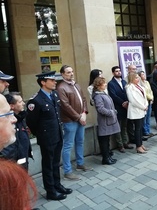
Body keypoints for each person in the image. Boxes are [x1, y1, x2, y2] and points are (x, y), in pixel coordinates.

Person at [26, 71, 72, 201]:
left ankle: (57, 185)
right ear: (43, 82)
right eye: (52, 80)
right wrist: (42, 134)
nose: (55, 82)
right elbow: (31, 122)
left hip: (57, 135)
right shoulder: (35, 100)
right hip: (47, 138)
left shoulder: (54, 95)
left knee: (56, 163)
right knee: (48, 164)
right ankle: (50, 191)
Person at [57, 65, 91, 181]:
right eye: (68, 72)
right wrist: (78, 117)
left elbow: (84, 99)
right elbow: (65, 106)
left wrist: (84, 112)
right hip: (70, 121)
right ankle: (67, 171)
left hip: (80, 118)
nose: (71, 74)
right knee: (68, 145)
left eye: (72, 72)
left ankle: (80, 163)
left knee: (80, 141)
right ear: (62, 74)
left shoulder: (76, 84)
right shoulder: (61, 87)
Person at [92, 77, 120, 165]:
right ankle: (105, 158)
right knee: (104, 141)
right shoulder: (98, 96)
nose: (105, 84)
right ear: (99, 85)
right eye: (104, 83)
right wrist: (111, 112)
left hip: (109, 120)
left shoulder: (103, 93)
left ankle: (108, 157)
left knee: (107, 140)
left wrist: (113, 111)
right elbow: (100, 109)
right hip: (104, 121)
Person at [2, 92, 33, 170]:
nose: (23, 103)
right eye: (20, 102)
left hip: (23, 158)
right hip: (14, 163)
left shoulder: (21, 117)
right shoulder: (8, 123)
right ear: (12, 106)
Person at [108, 66, 133, 152]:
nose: (118, 72)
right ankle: (120, 145)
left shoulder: (124, 81)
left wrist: (127, 102)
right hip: (118, 107)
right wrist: (122, 103)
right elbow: (113, 95)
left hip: (126, 107)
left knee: (124, 126)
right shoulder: (111, 83)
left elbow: (127, 92)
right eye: (116, 71)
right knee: (118, 127)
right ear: (113, 73)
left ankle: (125, 142)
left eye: (119, 71)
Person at [125, 72, 148, 153]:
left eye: (138, 78)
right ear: (131, 79)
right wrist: (143, 107)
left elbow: (144, 97)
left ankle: (141, 144)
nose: (138, 79)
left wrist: (146, 104)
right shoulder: (129, 87)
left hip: (142, 109)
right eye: (136, 78)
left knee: (140, 128)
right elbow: (133, 100)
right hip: (136, 110)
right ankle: (138, 146)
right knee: (137, 129)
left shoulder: (139, 86)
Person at [138, 71, 154, 135]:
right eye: (142, 74)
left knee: (148, 117)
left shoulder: (147, 82)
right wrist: (150, 98)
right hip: (145, 101)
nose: (144, 75)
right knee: (144, 116)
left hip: (150, 100)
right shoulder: (140, 84)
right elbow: (145, 93)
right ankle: (145, 131)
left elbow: (150, 91)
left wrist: (152, 98)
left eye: (144, 73)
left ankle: (148, 129)